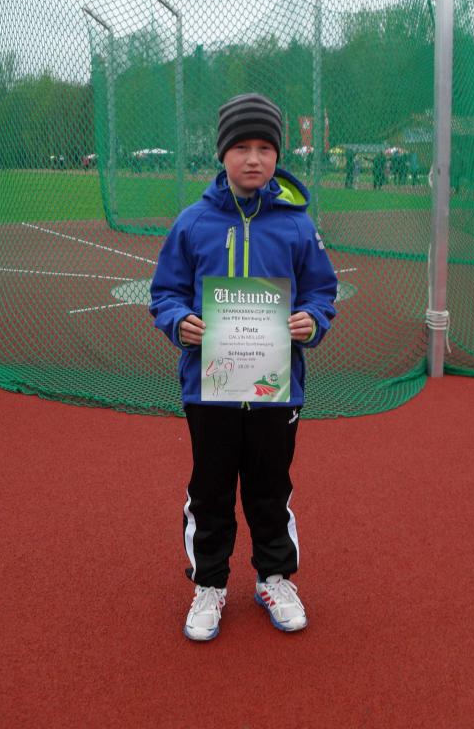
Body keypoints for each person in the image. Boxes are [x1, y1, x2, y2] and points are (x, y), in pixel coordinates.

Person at [149, 93, 338, 642]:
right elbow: (165, 292)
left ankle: (274, 578)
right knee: (210, 491)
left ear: (277, 155)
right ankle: (209, 584)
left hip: (276, 390)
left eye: (264, 148)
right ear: (222, 153)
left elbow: (322, 291)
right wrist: (179, 320)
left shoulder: (298, 226)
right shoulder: (193, 223)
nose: (253, 158)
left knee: (269, 489)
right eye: (241, 147)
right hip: (208, 390)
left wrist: (312, 320)